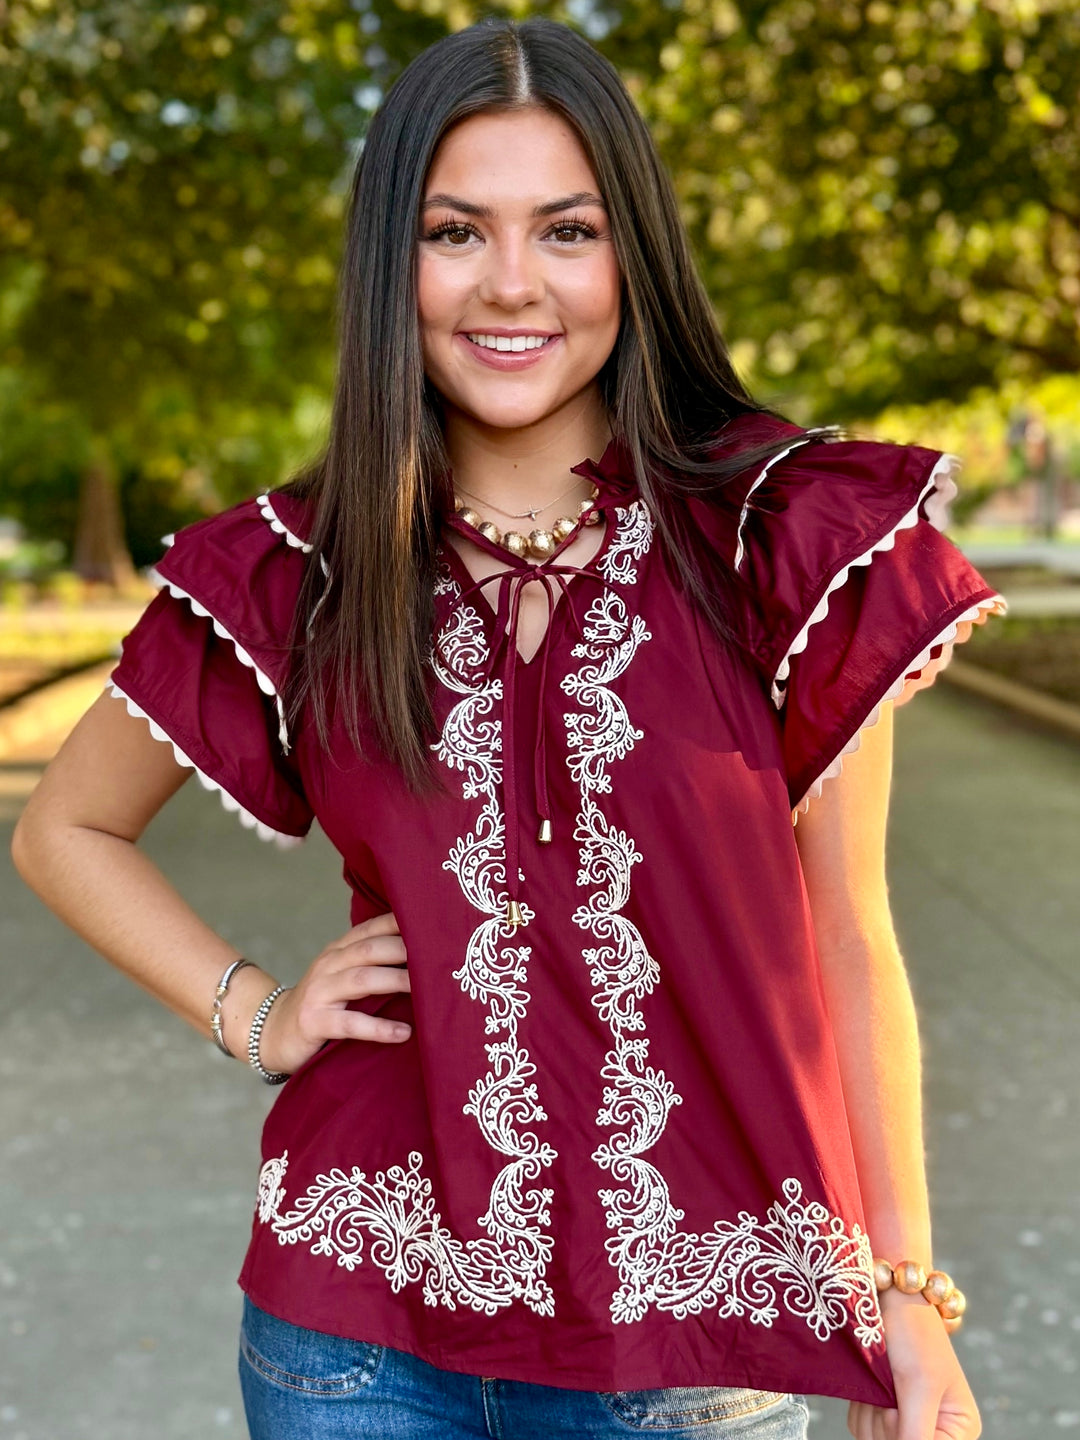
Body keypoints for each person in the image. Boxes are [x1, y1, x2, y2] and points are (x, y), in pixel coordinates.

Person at [12, 16, 1006, 1440]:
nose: (513, 283)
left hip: (694, 1357)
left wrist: (907, 1290)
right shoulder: (301, 569)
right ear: (392, 263)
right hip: (353, 1342)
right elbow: (66, 829)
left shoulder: (782, 538)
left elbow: (849, 931)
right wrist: (258, 1012)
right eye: (455, 232)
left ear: (632, 256)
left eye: (568, 230)